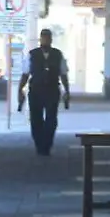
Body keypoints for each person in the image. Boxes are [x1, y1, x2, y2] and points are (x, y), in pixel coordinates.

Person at [18, 28, 71, 156]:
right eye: (44, 38)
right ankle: (39, 144)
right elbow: (25, 73)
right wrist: (20, 89)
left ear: (51, 40)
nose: (46, 40)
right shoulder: (32, 54)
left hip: (52, 90)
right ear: (40, 39)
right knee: (35, 119)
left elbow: (63, 74)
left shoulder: (58, 55)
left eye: (48, 38)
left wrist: (67, 90)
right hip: (36, 90)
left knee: (51, 119)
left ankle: (47, 144)